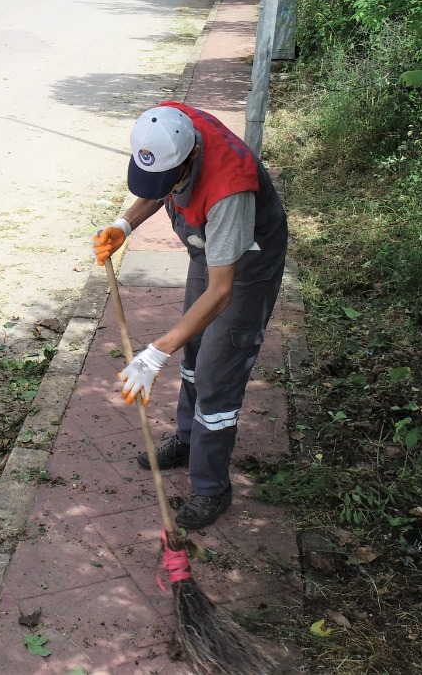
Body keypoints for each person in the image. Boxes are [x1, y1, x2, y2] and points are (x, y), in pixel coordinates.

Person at [93, 102, 288, 528]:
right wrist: (125, 224)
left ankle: (211, 488)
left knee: (220, 371)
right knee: (195, 351)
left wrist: (156, 352)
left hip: (247, 262)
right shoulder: (169, 125)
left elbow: (221, 292)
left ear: (192, 157)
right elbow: (159, 185)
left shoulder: (229, 192)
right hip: (209, 245)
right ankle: (187, 440)